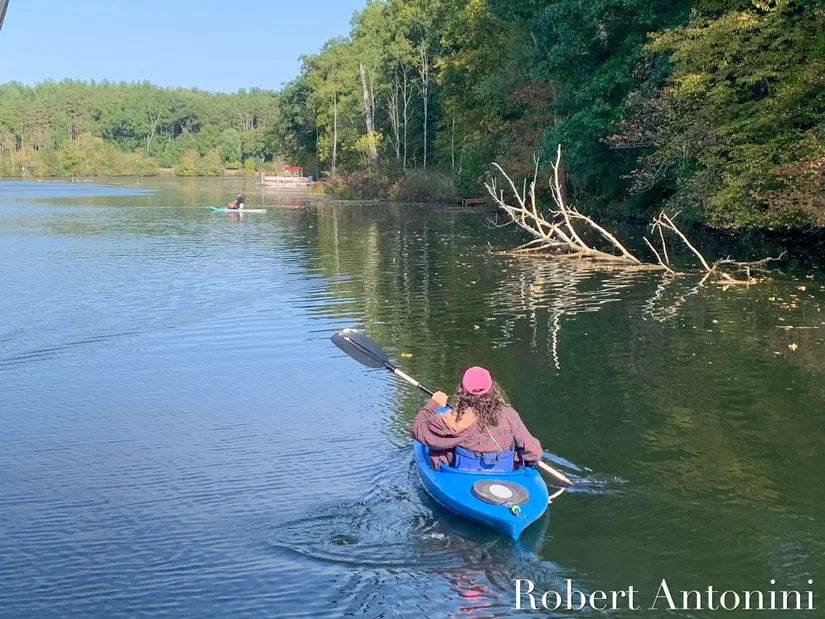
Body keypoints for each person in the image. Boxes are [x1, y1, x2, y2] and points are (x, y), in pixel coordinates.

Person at [411, 366, 542, 471]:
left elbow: (417, 430)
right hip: (505, 474)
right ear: (492, 389)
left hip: (463, 473)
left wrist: (433, 403)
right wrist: (526, 462)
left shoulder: (452, 420)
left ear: (462, 392)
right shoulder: (509, 415)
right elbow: (534, 452)